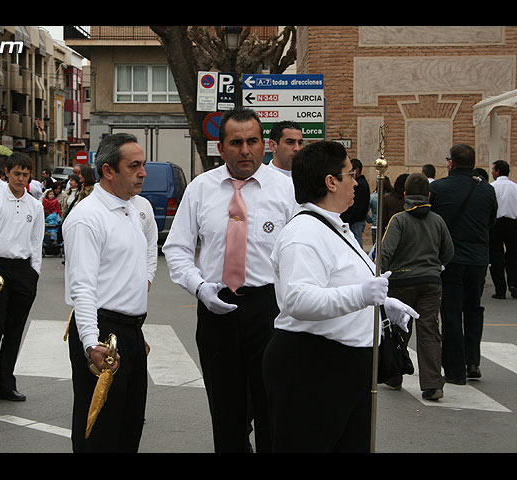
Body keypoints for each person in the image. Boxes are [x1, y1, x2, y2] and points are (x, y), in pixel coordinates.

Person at [262, 140, 417, 452]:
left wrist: (383, 305)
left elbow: (342, 281)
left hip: (344, 368)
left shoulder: (334, 227)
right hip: (313, 365)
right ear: (330, 182)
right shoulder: (303, 235)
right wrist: (362, 296)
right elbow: (299, 300)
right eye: (351, 174)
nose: (357, 182)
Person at [162, 106, 297, 453]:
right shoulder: (200, 189)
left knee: (273, 411)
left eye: (252, 141)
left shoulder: (287, 191)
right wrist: (199, 286)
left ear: (264, 145)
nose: (245, 150)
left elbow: (302, 251)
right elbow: (176, 248)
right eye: (236, 143)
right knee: (226, 414)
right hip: (216, 310)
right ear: (221, 148)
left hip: (270, 310)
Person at [63, 132, 152, 452]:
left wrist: (133, 327)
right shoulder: (87, 218)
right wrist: (90, 343)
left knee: (130, 422)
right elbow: (83, 287)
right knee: (100, 427)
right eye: (134, 166)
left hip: (127, 330)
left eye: (143, 165)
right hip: (101, 331)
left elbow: (138, 265)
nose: (143, 173)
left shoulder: (135, 208)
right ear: (108, 170)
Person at [0, 152, 44, 404]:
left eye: (25, 175)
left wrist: (34, 273)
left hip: (24, 270)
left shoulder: (35, 206)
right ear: (7, 173)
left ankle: (6, 383)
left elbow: (37, 243)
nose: (21, 179)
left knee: (14, 331)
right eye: (16, 173)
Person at [379, 173, 454, 400]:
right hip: (431, 282)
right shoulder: (437, 220)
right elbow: (448, 251)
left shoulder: (399, 220)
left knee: (400, 328)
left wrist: (382, 274)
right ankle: (432, 384)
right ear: (428, 195)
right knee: (429, 331)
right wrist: (436, 266)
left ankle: (394, 374)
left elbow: (385, 251)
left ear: (405, 195)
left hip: (401, 282)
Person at [430, 144, 497, 384]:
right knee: (473, 309)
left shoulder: (437, 189)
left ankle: (455, 369)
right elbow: (491, 221)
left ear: (450, 163)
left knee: (450, 312)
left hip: (450, 260)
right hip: (478, 259)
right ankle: (473, 361)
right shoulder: (487, 190)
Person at [489, 160, 517, 299]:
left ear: (498, 171)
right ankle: (514, 284)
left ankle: (500, 290)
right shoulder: (515, 187)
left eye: (493, 169)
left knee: (496, 257)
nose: (492, 172)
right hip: (513, 223)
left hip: (496, 224)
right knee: (513, 255)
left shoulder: (492, 187)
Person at [340, 158, 370, 248]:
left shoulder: (360, 185)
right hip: (355, 220)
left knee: (356, 244)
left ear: (356, 170)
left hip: (356, 222)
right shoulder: (362, 184)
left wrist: (349, 219)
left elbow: (358, 206)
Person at [367, 175, 392, 245]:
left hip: (375, 225)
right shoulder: (391, 197)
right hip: (389, 226)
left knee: (376, 248)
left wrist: (370, 220)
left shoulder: (373, 197)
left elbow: (366, 212)